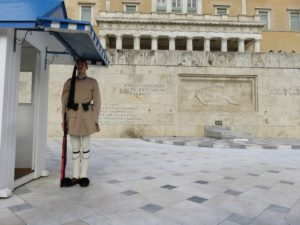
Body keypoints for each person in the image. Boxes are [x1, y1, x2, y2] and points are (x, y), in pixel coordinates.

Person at [61, 58, 101, 187]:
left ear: (86, 67)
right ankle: (75, 176)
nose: (80, 66)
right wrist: (63, 119)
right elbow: (64, 103)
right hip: (73, 117)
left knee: (85, 148)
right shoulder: (69, 82)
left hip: (86, 117)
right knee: (75, 149)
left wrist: (94, 119)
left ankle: (84, 176)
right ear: (76, 66)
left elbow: (97, 102)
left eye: (83, 64)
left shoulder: (93, 82)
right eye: (78, 64)